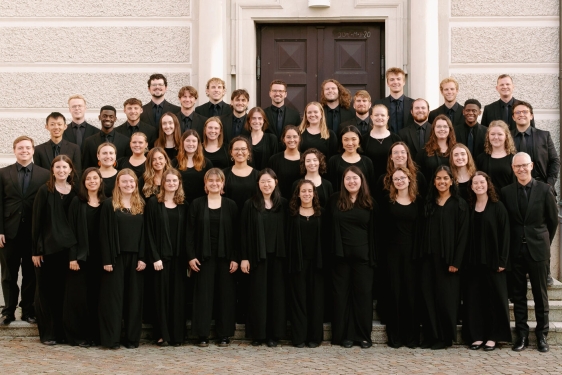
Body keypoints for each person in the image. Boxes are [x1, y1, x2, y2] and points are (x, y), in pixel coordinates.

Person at [501, 152, 558, 353]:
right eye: (517, 166)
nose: (521, 169)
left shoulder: (544, 190)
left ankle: (542, 335)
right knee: (518, 296)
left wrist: (543, 242)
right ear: (513, 168)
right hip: (515, 251)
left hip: (538, 250)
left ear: (531, 165)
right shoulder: (506, 192)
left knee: (540, 295)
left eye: (524, 165)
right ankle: (522, 335)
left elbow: (552, 221)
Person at [0, 136, 50, 326]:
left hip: (33, 233)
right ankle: (8, 311)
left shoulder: (44, 175)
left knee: (31, 274)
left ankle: (28, 310)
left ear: (33, 150)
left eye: (27, 148)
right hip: (9, 233)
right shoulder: (3, 173)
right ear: (14, 150)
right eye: (20, 148)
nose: (24, 151)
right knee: (8, 274)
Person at [187, 168, 239, 347]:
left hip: (226, 259)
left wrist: (235, 258)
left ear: (223, 183)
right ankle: (202, 335)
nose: (214, 183)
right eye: (211, 181)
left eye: (218, 181)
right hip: (203, 258)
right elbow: (189, 233)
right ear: (205, 184)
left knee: (226, 296)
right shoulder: (197, 204)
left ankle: (224, 335)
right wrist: (191, 256)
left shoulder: (231, 205)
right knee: (203, 296)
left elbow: (237, 235)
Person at [419, 166, 469, 350]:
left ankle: (445, 337)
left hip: (449, 261)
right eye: (438, 178)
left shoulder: (459, 204)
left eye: (445, 178)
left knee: (446, 299)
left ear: (451, 181)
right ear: (434, 181)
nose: (442, 182)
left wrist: (456, 261)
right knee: (428, 297)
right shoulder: (429, 202)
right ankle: (431, 335)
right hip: (428, 258)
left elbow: (463, 235)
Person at [329, 166, 377, 349]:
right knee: (341, 297)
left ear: (361, 180)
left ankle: (363, 335)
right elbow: (328, 229)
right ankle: (345, 336)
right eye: (348, 178)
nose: (351, 181)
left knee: (363, 297)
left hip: (363, 258)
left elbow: (375, 233)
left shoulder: (370, 202)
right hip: (340, 258)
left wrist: (373, 257)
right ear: (343, 182)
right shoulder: (335, 200)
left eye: (355, 178)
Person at [463, 171, 511, 351]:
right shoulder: (469, 206)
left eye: (481, 182)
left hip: (493, 262)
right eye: (475, 183)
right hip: (473, 262)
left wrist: (502, 260)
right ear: (471, 186)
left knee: (494, 300)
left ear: (487, 184)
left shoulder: (498, 207)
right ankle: (476, 336)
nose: (478, 186)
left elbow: (506, 235)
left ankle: (493, 336)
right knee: (474, 300)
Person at [32, 155, 77, 345]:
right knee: (47, 292)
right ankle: (49, 334)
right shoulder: (45, 190)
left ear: (70, 170)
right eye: (57, 167)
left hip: (69, 251)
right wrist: (35, 250)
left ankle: (63, 332)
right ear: (52, 170)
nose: (61, 170)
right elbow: (37, 222)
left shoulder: (76, 192)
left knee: (65, 293)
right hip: (48, 250)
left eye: (64, 167)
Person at [99, 169, 146, 349]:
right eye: (124, 182)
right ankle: (112, 339)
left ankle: (132, 339)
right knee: (114, 300)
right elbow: (103, 234)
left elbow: (145, 233)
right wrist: (107, 259)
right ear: (118, 183)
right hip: (115, 257)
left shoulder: (141, 204)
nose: (128, 185)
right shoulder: (110, 204)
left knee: (134, 300)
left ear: (135, 184)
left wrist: (143, 257)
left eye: (131, 182)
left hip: (136, 259)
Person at [240, 169, 288, 347]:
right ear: (258, 185)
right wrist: (244, 258)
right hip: (256, 257)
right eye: (263, 182)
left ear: (275, 182)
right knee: (258, 296)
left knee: (277, 296)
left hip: (278, 257)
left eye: (269, 181)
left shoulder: (283, 204)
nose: (266, 185)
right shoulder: (250, 204)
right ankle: (258, 334)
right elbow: (243, 233)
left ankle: (273, 335)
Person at [379, 167, 423, 348]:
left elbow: (422, 230)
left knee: (411, 296)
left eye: (402, 178)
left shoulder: (418, 201)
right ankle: (395, 337)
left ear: (409, 179)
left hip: (413, 254)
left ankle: (411, 337)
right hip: (392, 254)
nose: (399, 181)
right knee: (394, 294)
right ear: (392, 182)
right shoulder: (387, 201)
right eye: (396, 179)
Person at [145, 168, 188, 346]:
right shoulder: (154, 203)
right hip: (160, 259)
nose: (171, 183)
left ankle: (177, 335)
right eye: (168, 181)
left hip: (179, 259)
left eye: (174, 181)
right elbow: (149, 232)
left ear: (179, 183)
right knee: (160, 298)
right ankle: (162, 334)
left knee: (178, 298)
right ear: (162, 183)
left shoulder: (184, 204)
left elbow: (188, 233)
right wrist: (155, 257)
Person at [64, 167, 106, 347]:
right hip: (80, 259)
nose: (92, 181)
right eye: (88, 179)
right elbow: (70, 231)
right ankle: (77, 336)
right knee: (79, 299)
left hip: (100, 259)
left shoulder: (107, 202)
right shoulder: (77, 202)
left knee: (96, 298)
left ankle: (94, 336)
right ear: (84, 182)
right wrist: (72, 257)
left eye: (95, 178)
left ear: (100, 181)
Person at [223, 137, 259, 325]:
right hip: (228, 226)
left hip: (250, 227)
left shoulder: (257, 175)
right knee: (230, 273)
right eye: (236, 149)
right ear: (231, 153)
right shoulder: (224, 174)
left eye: (243, 149)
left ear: (249, 152)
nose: (240, 152)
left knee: (248, 273)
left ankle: (246, 314)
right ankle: (231, 315)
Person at [287, 179, 325, 348]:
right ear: (298, 193)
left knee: (316, 301)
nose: (307, 194)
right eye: (303, 191)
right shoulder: (292, 214)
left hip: (318, 264)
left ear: (314, 194)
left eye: (310, 191)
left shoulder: (322, 213)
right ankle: (299, 337)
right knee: (299, 300)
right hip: (298, 264)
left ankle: (314, 337)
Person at [511, 100, 560, 193]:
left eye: (525, 112)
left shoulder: (544, 135)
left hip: (541, 186)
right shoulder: (507, 137)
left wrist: (549, 183)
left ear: (531, 116)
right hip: (515, 188)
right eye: (517, 112)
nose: (521, 114)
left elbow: (555, 161)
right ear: (513, 117)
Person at [328, 125, 375, 192]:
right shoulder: (333, 161)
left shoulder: (367, 162)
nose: (350, 143)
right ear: (341, 141)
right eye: (346, 139)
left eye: (354, 139)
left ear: (359, 141)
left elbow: (371, 187)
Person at [34, 112, 82, 177]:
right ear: (46, 127)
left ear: (65, 126)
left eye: (59, 124)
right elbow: (38, 174)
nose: (56, 127)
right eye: (52, 124)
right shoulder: (38, 150)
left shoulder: (74, 148)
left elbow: (77, 173)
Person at [362, 104, 402, 181]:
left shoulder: (396, 139)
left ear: (387, 118)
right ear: (371, 117)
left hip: (392, 181)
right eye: (376, 115)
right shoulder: (364, 139)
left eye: (382, 115)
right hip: (369, 181)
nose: (379, 117)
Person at [81, 106, 129, 170]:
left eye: (111, 117)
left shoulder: (125, 141)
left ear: (115, 119)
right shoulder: (89, 141)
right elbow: (85, 167)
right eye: (104, 116)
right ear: (99, 117)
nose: (108, 119)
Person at [172, 130, 214, 203]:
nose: (191, 144)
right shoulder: (174, 163)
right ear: (182, 143)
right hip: (180, 202)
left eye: (194, 141)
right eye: (187, 140)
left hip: (201, 203)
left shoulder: (206, 163)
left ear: (198, 144)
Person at [475, 120, 516, 194]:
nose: (496, 137)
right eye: (492, 134)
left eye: (500, 134)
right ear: (488, 136)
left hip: (508, 200)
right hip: (487, 201)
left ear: (506, 136)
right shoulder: (481, 159)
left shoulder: (514, 158)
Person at [416, 115, 456, 182]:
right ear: (433, 129)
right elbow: (418, 176)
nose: (442, 129)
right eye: (438, 126)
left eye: (445, 126)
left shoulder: (457, 150)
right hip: (430, 190)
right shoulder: (423, 152)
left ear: (450, 129)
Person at [374, 67, 414, 133]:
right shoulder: (379, 104)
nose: (395, 82)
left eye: (398, 79)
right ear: (387, 83)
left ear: (404, 82)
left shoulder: (413, 104)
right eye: (392, 79)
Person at [267, 125, 301, 198]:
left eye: (295, 137)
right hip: (279, 201)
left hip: (301, 202)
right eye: (288, 137)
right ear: (283, 139)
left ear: (299, 139)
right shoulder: (274, 160)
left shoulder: (306, 160)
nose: (292, 140)